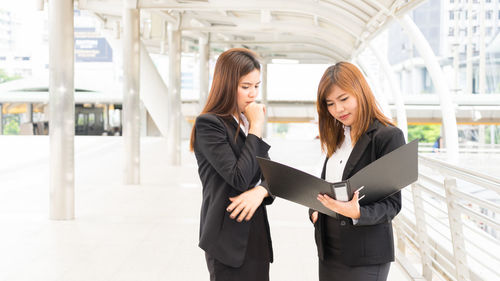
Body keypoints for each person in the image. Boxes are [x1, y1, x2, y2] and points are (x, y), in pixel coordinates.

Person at [309, 62, 405, 281]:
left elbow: (392, 204)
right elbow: (329, 185)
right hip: (329, 248)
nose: (338, 109)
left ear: (361, 92)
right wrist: (315, 211)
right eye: (330, 104)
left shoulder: (388, 137)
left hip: (366, 252)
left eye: (344, 99)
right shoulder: (338, 137)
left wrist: (357, 212)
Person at [190, 48, 274, 281]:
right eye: (245, 87)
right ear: (227, 84)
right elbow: (239, 177)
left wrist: (261, 191)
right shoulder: (209, 124)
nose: (252, 94)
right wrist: (256, 128)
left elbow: (270, 175)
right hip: (227, 241)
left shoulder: (245, 121)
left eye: (256, 86)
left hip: (256, 236)